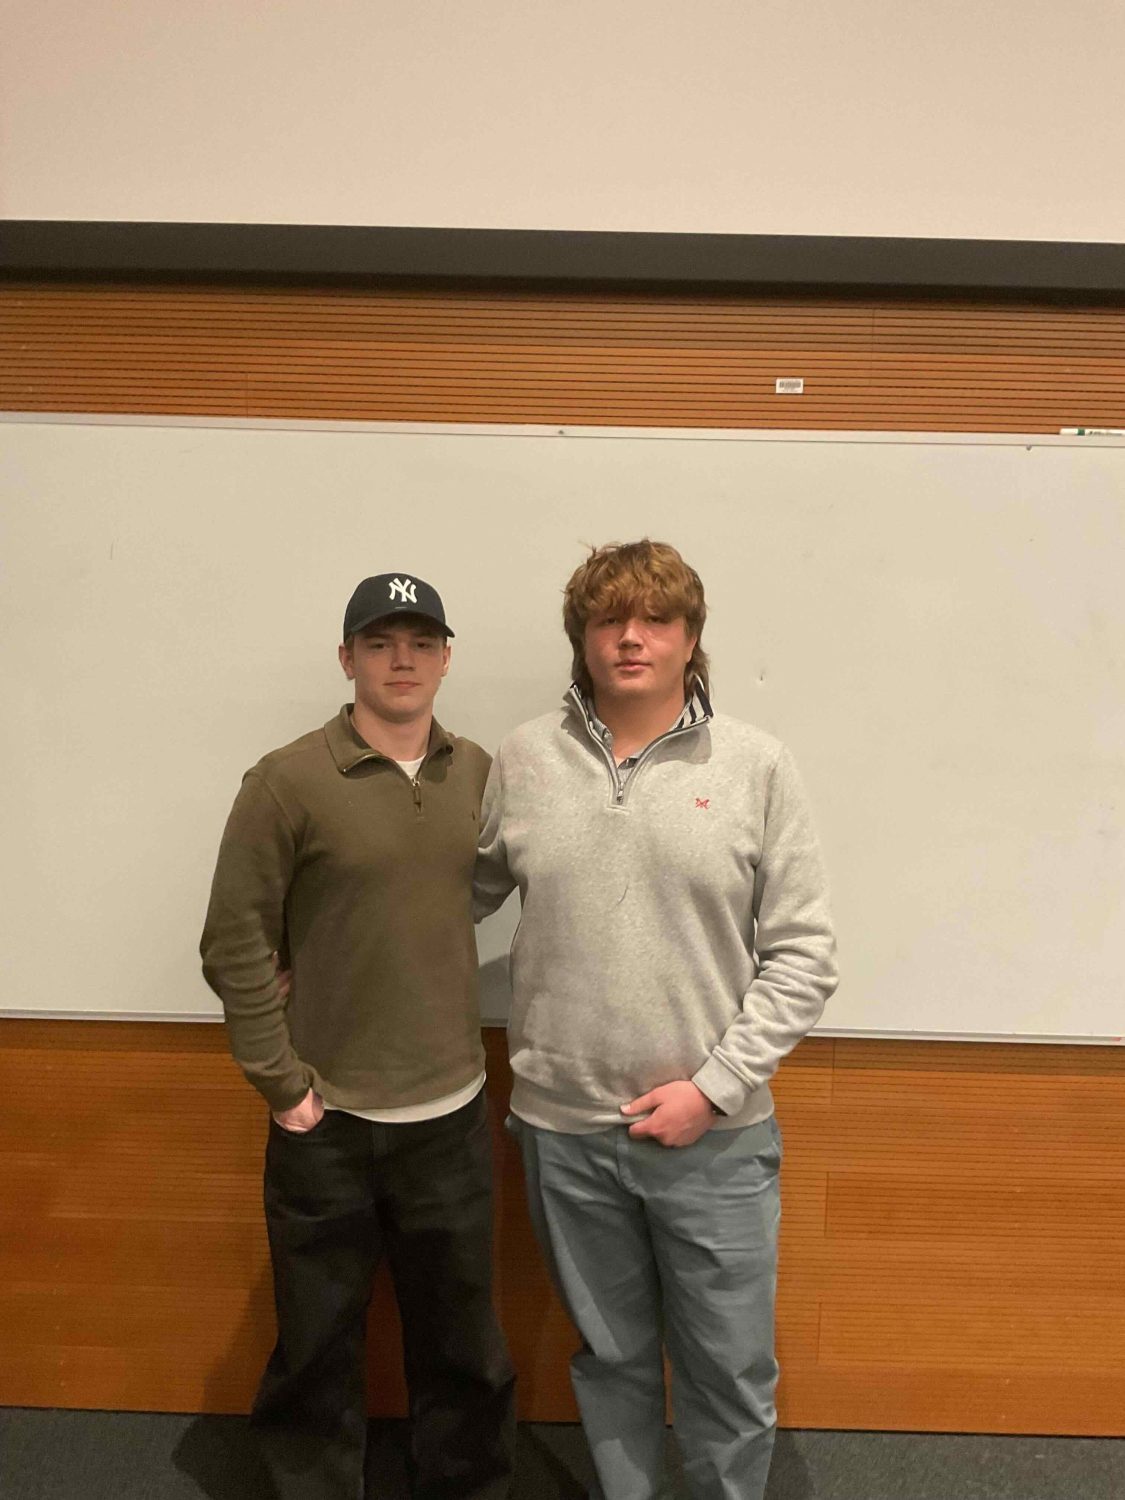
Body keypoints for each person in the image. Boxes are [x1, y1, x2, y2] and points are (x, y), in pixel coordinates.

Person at [474, 540, 837, 1500]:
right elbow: (444, 901)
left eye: (654, 619)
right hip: (561, 1131)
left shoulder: (756, 766)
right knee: (611, 1360)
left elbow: (804, 955)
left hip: (712, 1141)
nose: (630, 638)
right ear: (581, 639)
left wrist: (712, 1091)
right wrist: (313, 947)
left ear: (688, 637)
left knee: (727, 1373)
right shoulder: (522, 759)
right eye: (608, 620)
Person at [200, 572, 514, 1500]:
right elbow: (232, 942)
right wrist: (282, 1085)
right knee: (316, 1345)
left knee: (463, 1347)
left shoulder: (478, 772)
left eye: (420, 643)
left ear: (446, 659)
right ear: (347, 659)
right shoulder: (286, 781)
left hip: (450, 1118)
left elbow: (466, 891)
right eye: (380, 643)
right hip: (326, 1120)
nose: (401, 660)